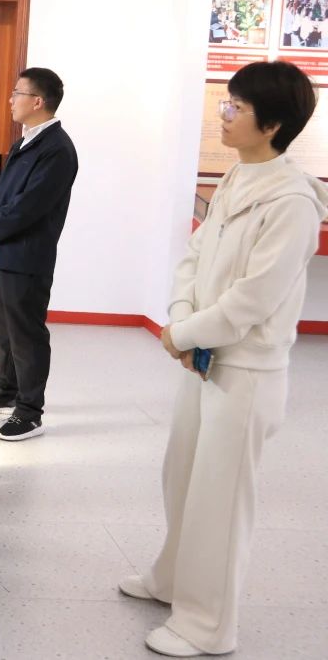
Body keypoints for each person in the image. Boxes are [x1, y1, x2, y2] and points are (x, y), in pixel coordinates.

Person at [120, 61, 325, 658]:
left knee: (222, 499)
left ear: (274, 124)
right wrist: (182, 319)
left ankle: (208, 624)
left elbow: (255, 298)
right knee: (182, 476)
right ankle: (173, 579)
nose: (224, 114)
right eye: (226, 103)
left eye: (236, 107)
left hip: (246, 372)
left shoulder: (292, 202)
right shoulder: (238, 177)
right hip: (203, 358)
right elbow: (194, 255)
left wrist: (182, 332)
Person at [0, 67, 79, 440]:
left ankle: (29, 412)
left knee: (26, 334)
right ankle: (5, 388)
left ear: (38, 101)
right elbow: (0, 193)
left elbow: (29, 207)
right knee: (2, 329)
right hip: (6, 251)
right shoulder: (25, 141)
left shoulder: (57, 150)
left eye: (18, 93)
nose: (11, 99)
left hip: (29, 257)